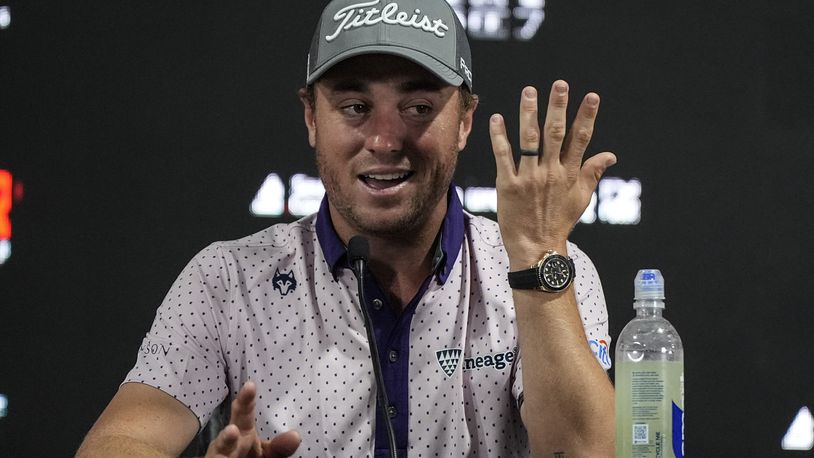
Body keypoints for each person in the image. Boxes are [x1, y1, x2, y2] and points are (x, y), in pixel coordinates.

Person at [77, 0, 617, 456]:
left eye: (419, 106)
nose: (384, 139)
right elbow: (122, 440)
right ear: (312, 118)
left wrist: (537, 253)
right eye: (355, 106)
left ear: (466, 121)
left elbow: (587, 451)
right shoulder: (228, 280)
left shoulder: (546, 270)